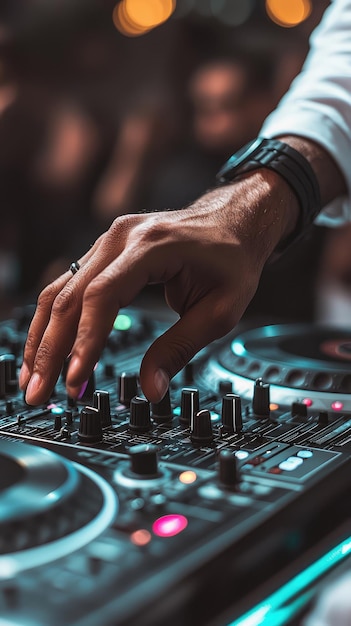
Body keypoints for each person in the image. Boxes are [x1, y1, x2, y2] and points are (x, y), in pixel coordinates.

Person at [20, 0, 351, 408]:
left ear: (262, 101)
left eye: (224, 107)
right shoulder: (176, 168)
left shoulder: (323, 203)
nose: (210, 123)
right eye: (202, 109)